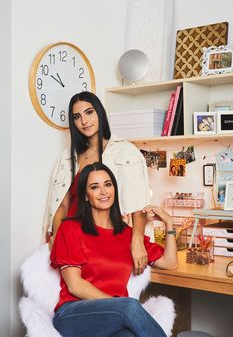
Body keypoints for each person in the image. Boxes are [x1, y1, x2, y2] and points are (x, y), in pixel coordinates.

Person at [50, 162, 177, 337]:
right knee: (130, 305)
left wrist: (169, 223)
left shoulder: (128, 236)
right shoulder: (70, 228)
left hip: (115, 317)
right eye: (95, 187)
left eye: (108, 184)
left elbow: (170, 263)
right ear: (86, 196)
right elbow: (75, 285)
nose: (103, 192)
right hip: (73, 315)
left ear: (114, 189)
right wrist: (120, 307)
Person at [43, 91, 151, 274]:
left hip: (104, 238)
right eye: (77, 117)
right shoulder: (68, 157)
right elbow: (61, 204)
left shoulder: (125, 152)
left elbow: (138, 204)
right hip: (72, 239)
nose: (84, 121)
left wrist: (137, 240)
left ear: (100, 112)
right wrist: (58, 237)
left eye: (89, 112)